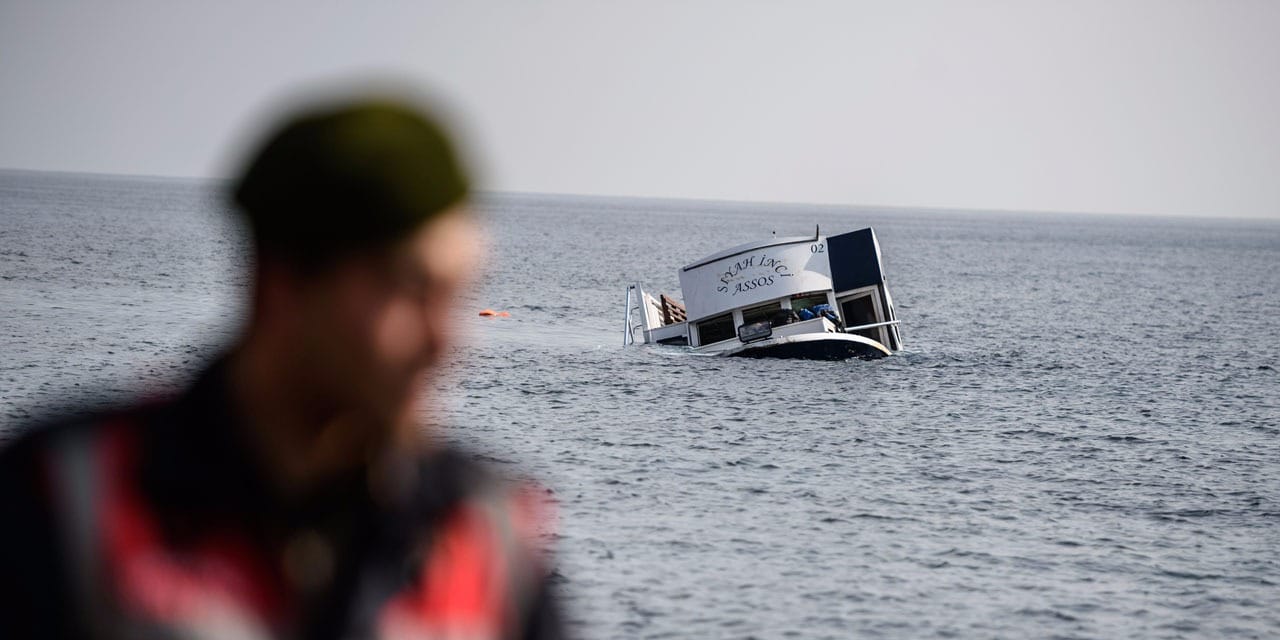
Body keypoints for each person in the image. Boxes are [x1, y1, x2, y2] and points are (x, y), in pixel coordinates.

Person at [0, 97, 565, 639]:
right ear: (283, 286)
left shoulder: (487, 537)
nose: (446, 341)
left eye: (456, 294)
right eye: (411, 291)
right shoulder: (70, 500)